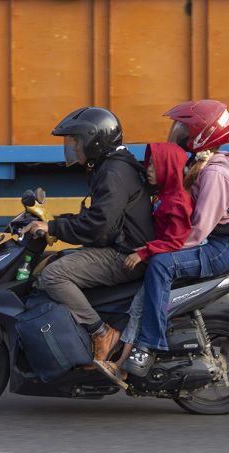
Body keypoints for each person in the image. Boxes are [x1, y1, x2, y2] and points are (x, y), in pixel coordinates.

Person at [122, 100, 229, 377]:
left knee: (161, 265)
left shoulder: (215, 173)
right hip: (208, 240)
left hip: (220, 246)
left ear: (202, 134)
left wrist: (155, 249)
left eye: (183, 127)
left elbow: (199, 230)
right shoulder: (200, 163)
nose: (177, 132)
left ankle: (147, 345)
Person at [20, 107, 154, 365]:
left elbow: (100, 227)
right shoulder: (113, 166)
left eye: (77, 141)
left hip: (125, 255)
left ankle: (102, 334)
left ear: (95, 140)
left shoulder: (114, 172)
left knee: (54, 275)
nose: (73, 147)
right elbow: (101, 218)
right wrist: (55, 223)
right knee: (52, 263)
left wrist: (56, 228)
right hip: (122, 246)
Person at [93, 142, 194, 387]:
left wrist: (143, 252)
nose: (147, 168)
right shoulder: (164, 195)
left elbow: (175, 241)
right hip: (152, 259)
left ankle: (123, 366)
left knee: (138, 310)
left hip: (160, 264)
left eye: (154, 164)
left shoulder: (177, 201)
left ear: (168, 168)